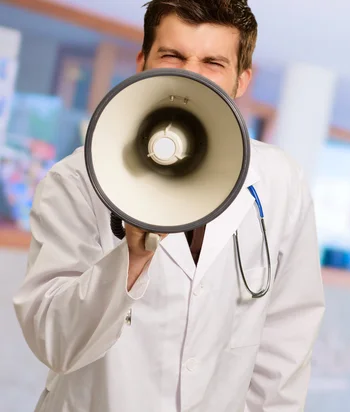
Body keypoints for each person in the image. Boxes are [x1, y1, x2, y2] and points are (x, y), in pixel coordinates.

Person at [12, 1, 325, 411]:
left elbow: (285, 348)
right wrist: (132, 259)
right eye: (173, 55)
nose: (190, 75)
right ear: (143, 62)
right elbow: (55, 342)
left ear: (241, 80)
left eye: (213, 62)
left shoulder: (280, 182)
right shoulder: (77, 180)